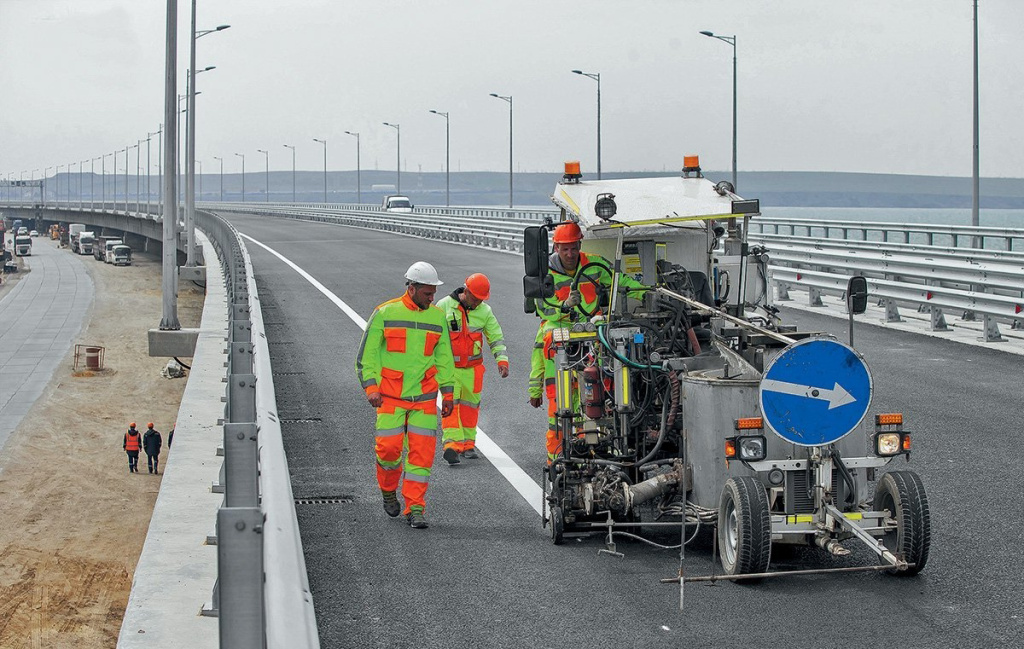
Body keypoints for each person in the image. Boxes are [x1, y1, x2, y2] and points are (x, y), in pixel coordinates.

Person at [529, 221, 647, 463]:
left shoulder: (594, 266)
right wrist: (565, 307)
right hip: (563, 339)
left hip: (594, 335)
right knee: (560, 410)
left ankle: (600, 449)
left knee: (602, 394)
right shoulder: (546, 275)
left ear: (579, 245)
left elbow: (620, 282)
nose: (570, 254)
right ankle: (557, 461)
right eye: (565, 249)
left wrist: (646, 293)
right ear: (556, 248)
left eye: (573, 248)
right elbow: (542, 309)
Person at [355, 261, 456, 530]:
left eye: (434, 293)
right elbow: (367, 356)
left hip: (423, 399)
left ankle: (416, 508)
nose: (432, 298)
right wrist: (372, 388)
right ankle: (388, 490)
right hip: (389, 397)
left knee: (421, 458)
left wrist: (448, 393)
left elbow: (444, 357)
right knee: (388, 451)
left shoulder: (437, 318)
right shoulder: (385, 313)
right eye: (427, 293)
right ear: (411, 288)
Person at [435, 273, 509, 465]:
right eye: (475, 299)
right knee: (451, 406)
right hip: (450, 370)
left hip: (474, 370)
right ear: (465, 292)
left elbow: (495, 336)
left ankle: (468, 445)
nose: (477, 304)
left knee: (470, 409)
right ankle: (451, 445)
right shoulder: (444, 306)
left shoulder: (485, 311)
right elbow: (433, 337)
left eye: (481, 300)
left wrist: (502, 360)